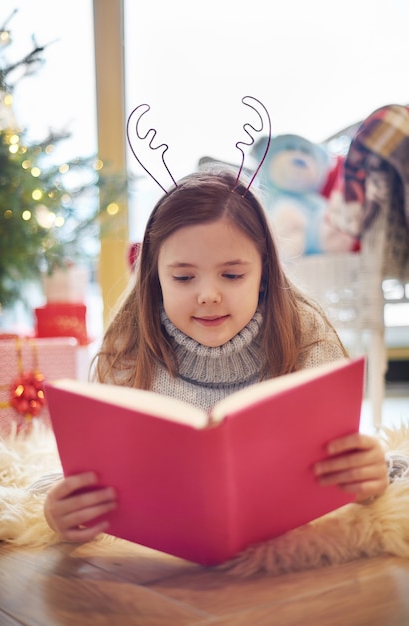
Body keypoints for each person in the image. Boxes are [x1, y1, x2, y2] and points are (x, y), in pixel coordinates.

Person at [44, 167, 389, 543]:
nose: (208, 295)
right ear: (154, 278)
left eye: (232, 275)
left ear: (265, 274)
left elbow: (350, 462)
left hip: (287, 572)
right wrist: (61, 508)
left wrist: (370, 475)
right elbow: (87, 476)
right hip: (157, 572)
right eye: (184, 278)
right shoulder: (127, 350)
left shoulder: (307, 338)